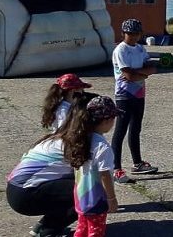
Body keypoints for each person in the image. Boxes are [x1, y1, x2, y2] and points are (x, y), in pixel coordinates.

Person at [6, 93, 95, 237]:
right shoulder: (77, 143)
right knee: (87, 192)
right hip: (25, 194)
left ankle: (43, 226)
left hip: (15, 189)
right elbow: (87, 177)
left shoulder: (60, 135)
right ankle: (49, 231)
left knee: (74, 188)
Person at [111, 18, 158, 184]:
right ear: (123, 33)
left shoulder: (140, 48)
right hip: (124, 95)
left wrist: (141, 73)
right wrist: (143, 73)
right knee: (120, 131)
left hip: (139, 94)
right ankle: (115, 168)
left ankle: (137, 163)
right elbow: (128, 75)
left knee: (135, 129)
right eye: (130, 34)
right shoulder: (120, 50)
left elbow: (152, 67)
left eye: (136, 34)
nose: (133, 37)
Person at [66, 96, 121, 237]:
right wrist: (111, 199)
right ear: (107, 120)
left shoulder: (81, 139)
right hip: (96, 199)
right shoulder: (102, 147)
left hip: (80, 195)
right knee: (96, 232)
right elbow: (104, 175)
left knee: (82, 229)